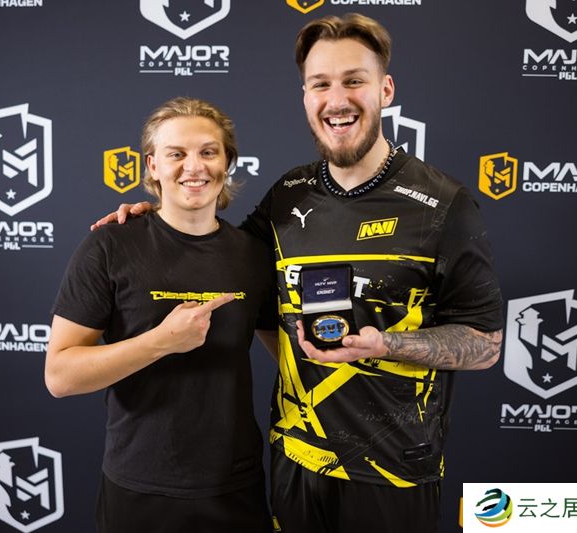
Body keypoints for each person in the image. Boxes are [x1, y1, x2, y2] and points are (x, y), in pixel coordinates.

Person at [93, 13, 504, 533]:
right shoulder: (288, 196)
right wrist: (157, 215)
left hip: (393, 470)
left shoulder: (444, 203)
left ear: (385, 90)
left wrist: (386, 345)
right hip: (296, 460)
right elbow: (217, 248)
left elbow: (485, 344)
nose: (337, 99)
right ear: (306, 97)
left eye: (354, 81)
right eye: (321, 84)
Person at [45, 97, 276, 533]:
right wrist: (160, 342)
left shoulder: (255, 255)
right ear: (152, 166)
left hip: (234, 485)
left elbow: (290, 355)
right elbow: (60, 376)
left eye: (208, 152)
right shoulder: (110, 245)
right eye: (176, 154)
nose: (195, 166)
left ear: (227, 162)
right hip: (140, 487)